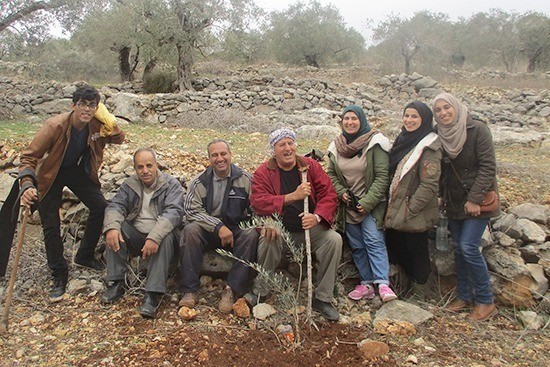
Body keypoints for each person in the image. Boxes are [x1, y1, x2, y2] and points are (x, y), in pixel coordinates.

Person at [18, 84, 125, 302]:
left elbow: (119, 138)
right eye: (83, 104)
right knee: (50, 223)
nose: (87, 109)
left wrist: (109, 120)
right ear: (73, 105)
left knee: (100, 206)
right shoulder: (54, 126)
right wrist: (27, 184)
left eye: (92, 105)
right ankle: (59, 273)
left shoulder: (95, 124)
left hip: (76, 170)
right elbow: (28, 157)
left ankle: (84, 256)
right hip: (50, 173)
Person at [250, 128, 342, 321]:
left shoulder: (310, 166)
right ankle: (261, 291)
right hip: (281, 229)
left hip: (310, 229)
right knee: (268, 237)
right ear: (273, 150)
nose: (287, 148)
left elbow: (329, 195)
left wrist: (317, 217)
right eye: (281, 144)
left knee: (334, 240)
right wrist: (292, 197)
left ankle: (323, 298)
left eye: (290, 143)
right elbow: (259, 201)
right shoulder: (264, 172)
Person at [433, 93, 500, 321]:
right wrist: (441, 195)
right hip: (453, 202)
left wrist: (474, 198)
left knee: (469, 246)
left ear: (456, 107)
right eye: (438, 110)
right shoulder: (440, 134)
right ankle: (463, 296)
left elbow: (488, 167)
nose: (443, 113)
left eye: (446, 108)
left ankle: (485, 301)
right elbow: (441, 170)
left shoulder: (477, 130)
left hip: (478, 202)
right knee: (459, 249)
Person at [101, 148, 184, 319]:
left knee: (166, 235)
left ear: (156, 166)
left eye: (149, 166)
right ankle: (117, 282)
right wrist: (112, 227)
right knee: (117, 227)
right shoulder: (130, 185)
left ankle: (152, 294)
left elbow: (173, 213)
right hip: (138, 234)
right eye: (140, 167)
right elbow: (116, 206)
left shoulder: (171, 185)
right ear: (135, 168)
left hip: (161, 237)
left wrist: (154, 237)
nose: (145, 171)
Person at [327, 105, 397, 303]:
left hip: (372, 205)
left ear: (362, 120)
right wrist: (341, 193)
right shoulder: (337, 146)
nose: (350, 122)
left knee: (374, 241)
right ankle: (366, 284)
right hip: (348, 205)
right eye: (346, 118)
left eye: (354, 118)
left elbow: (383, 176)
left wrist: (368, 202)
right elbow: (331, 174)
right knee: (357, 245)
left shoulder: (375, 143)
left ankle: (383, 283)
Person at [178, 139, 258, 313]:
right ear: (209, 158)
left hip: (236, 229)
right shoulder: (199, 182)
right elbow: (191, 210)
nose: (220, 159)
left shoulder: (245, 179)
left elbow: (257, 208)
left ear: (230, 155)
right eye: (214, 155)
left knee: (251, 234)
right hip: (209, 230)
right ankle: (189, 290)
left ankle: (232, 290)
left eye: (223, 154)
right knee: (190, 230)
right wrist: (218, 226)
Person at [384, 101, 442, 298]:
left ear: (424, 119)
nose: (409, 120)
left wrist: (411, 209)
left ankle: (420, 294)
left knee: (417, 252)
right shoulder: (403, 140)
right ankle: (406, 288)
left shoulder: (429, 146)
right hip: (396, 206)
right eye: (406, 115)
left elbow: (429, 185)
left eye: (414, 117)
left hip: (413, 211)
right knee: (399, 247)